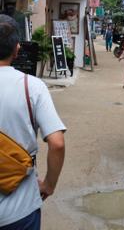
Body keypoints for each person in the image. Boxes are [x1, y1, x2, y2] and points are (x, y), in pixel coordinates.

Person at [0, 15, 66, 230]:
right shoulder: (33, 87)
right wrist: (49, 184)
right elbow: (57, 143)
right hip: (20, 209)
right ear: (17, 49)